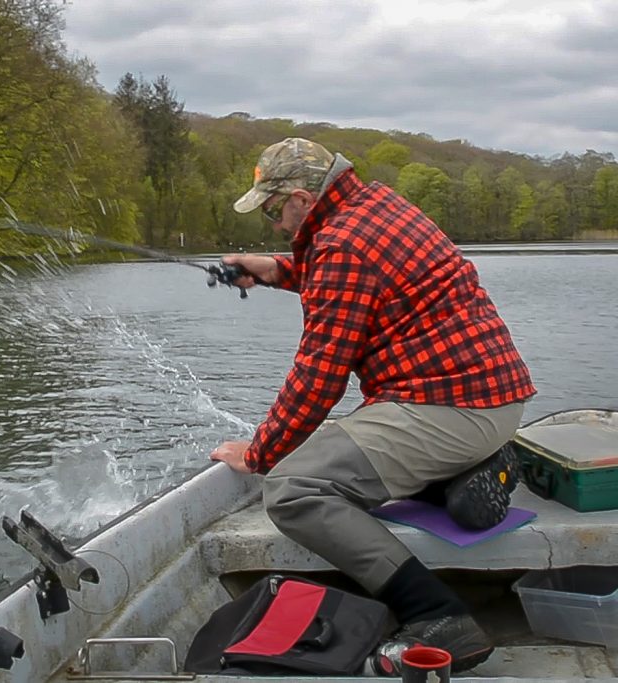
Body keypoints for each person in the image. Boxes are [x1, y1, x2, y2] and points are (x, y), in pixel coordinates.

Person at [210, 137, 536, 675]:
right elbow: (351, 278)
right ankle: (463, 475)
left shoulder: (341, 244)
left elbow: (319, 377)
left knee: (293, 488)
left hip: (448, 409)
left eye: (273, 210)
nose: (273, 224)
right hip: (492, 404)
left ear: (300, 197)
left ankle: (437, 614)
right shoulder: (376, 204)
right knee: (336, 455)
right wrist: (273, 268)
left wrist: (260, 453)